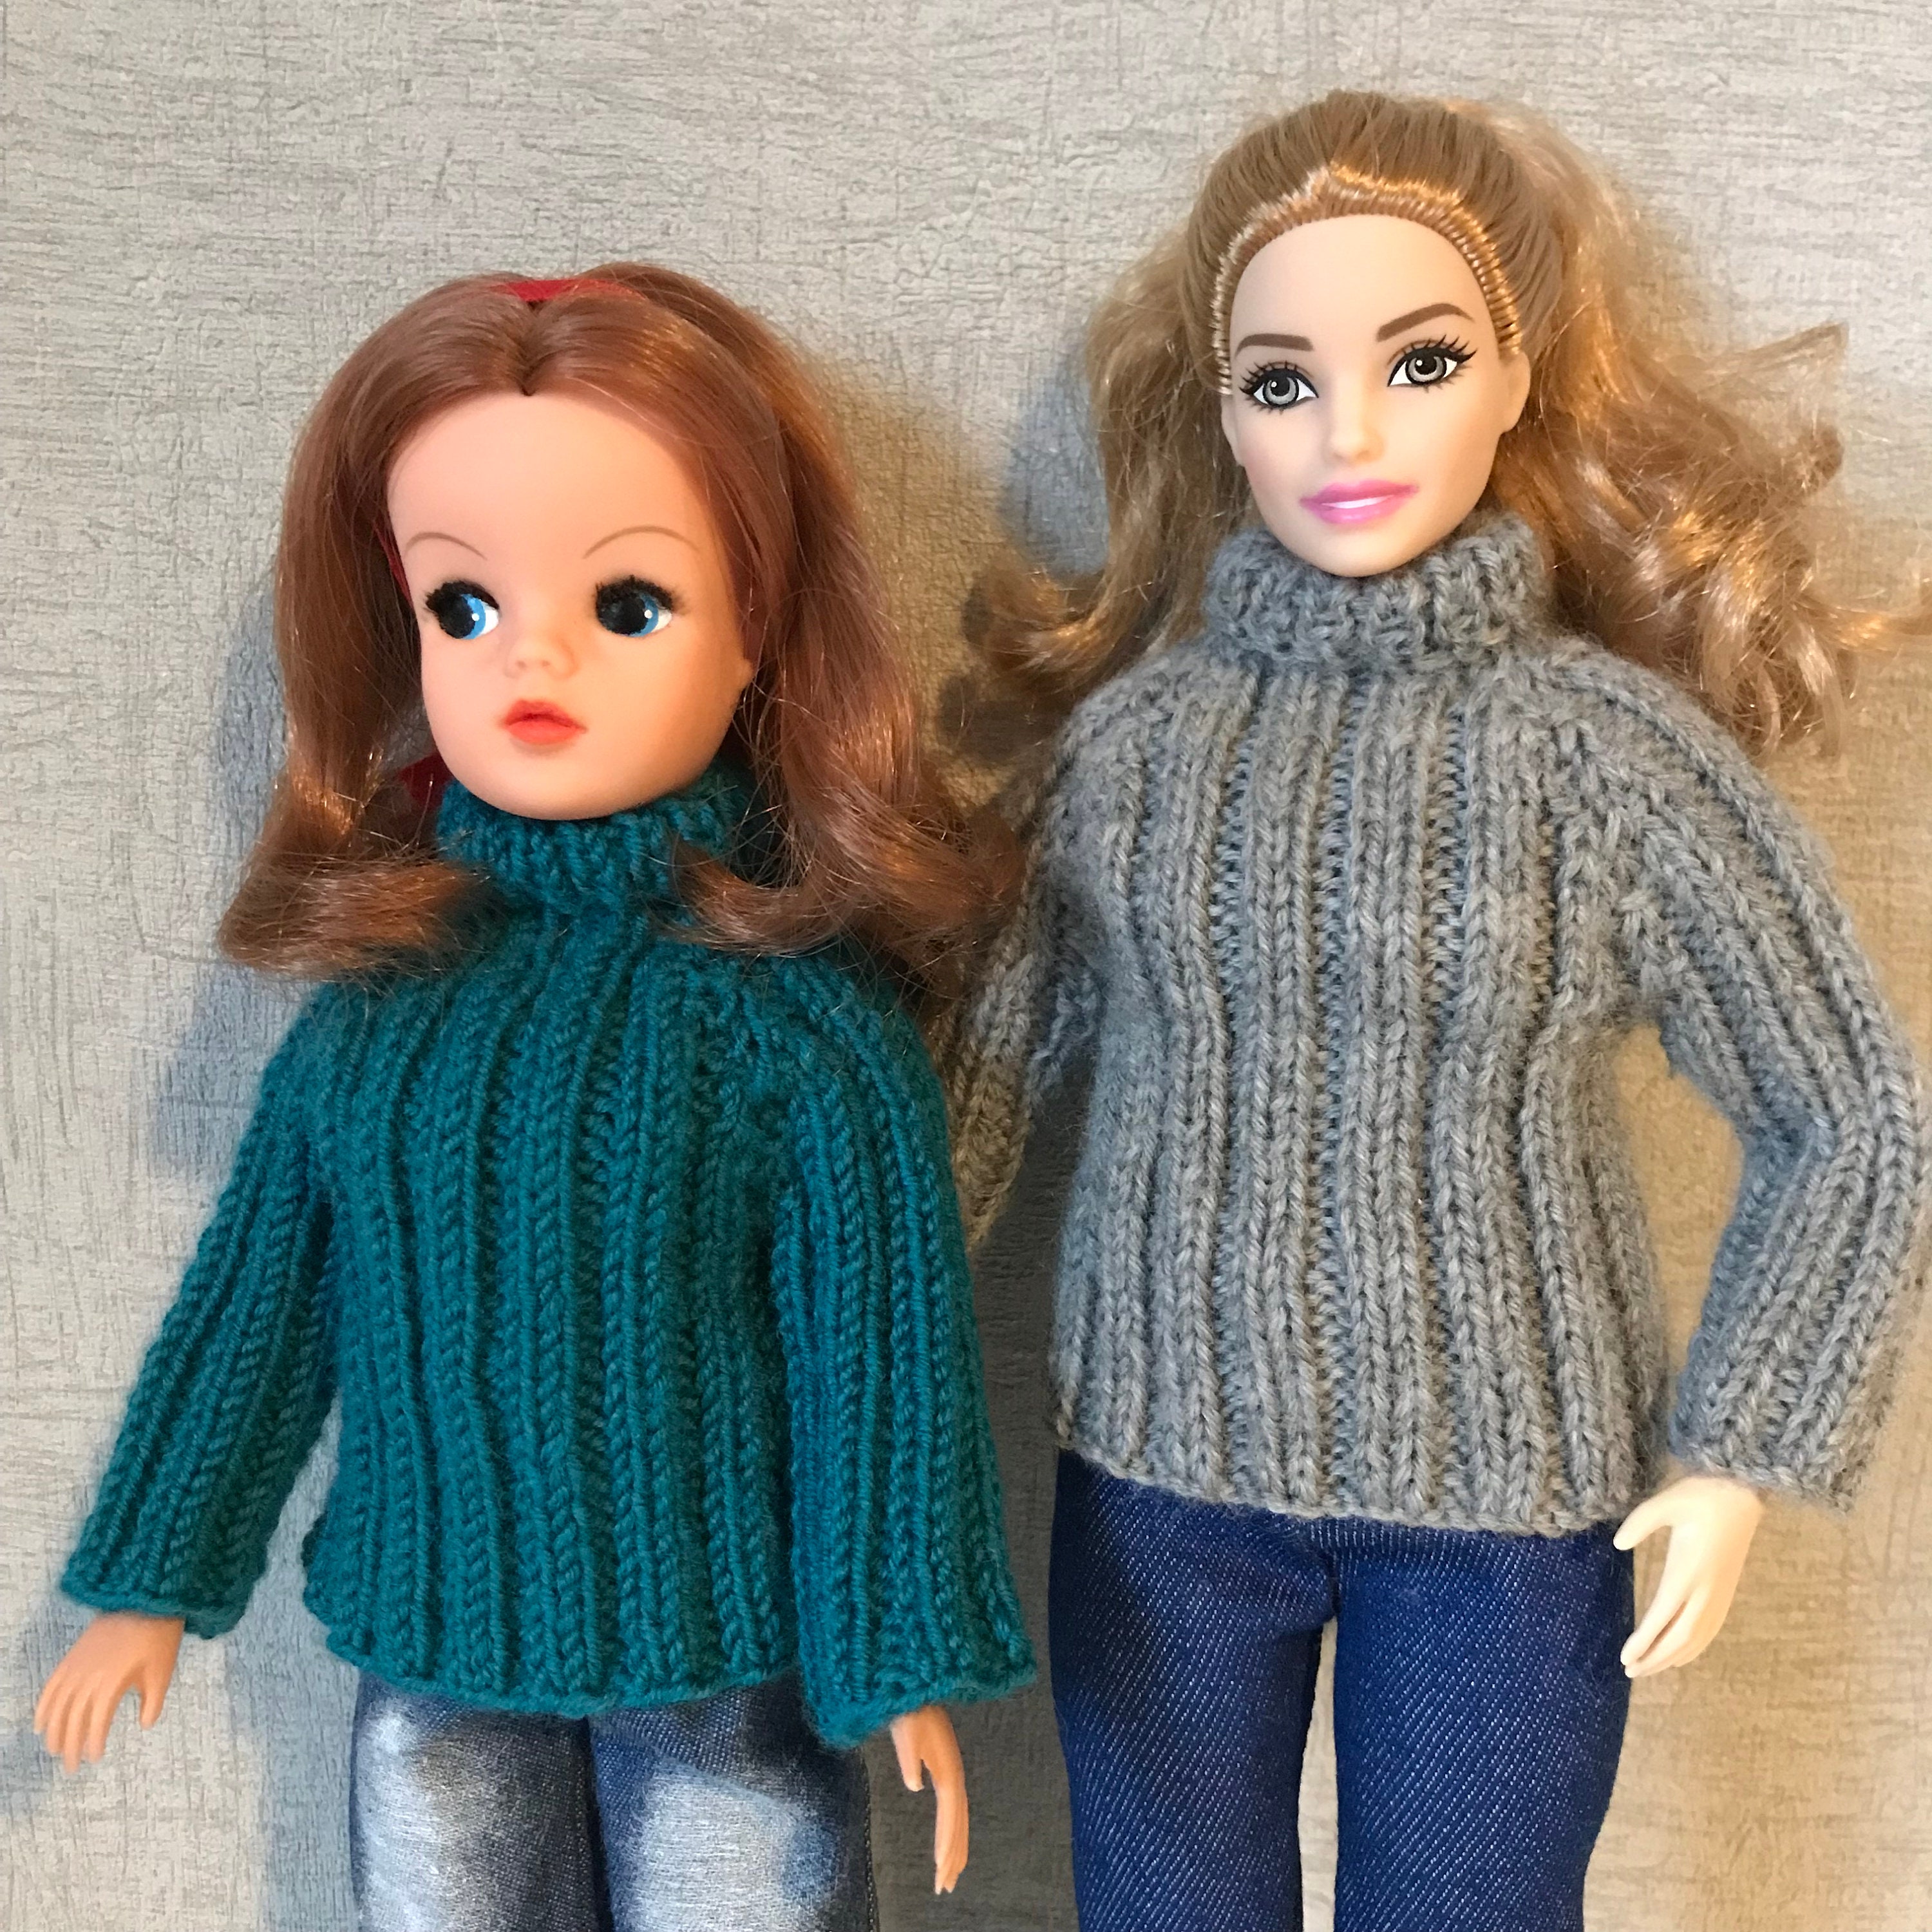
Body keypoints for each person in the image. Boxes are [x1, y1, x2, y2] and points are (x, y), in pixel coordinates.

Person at [942, 90, 1928, 1932]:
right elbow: (961, 1097)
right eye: (1283, 380)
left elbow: (1850, 1112)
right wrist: (838, 1375)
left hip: (1515, 1509)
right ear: (1221, 412)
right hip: (1155, 1487)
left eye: (1421, 360)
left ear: (1518, 374)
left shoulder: (1605, 760)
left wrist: (1741, 1447)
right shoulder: (1132, 756)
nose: (1353, 432)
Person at [36, 265, 1034, 1931]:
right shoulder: (381, 1017)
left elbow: (882, 1358)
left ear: (758, 632)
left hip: (725, 1668)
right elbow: (259, 1312)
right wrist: (153, 1579)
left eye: (630, 603)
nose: (534, 657)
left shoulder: (796, 1025)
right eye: (463, 605)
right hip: (432, 1646)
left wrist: (904, 1649)